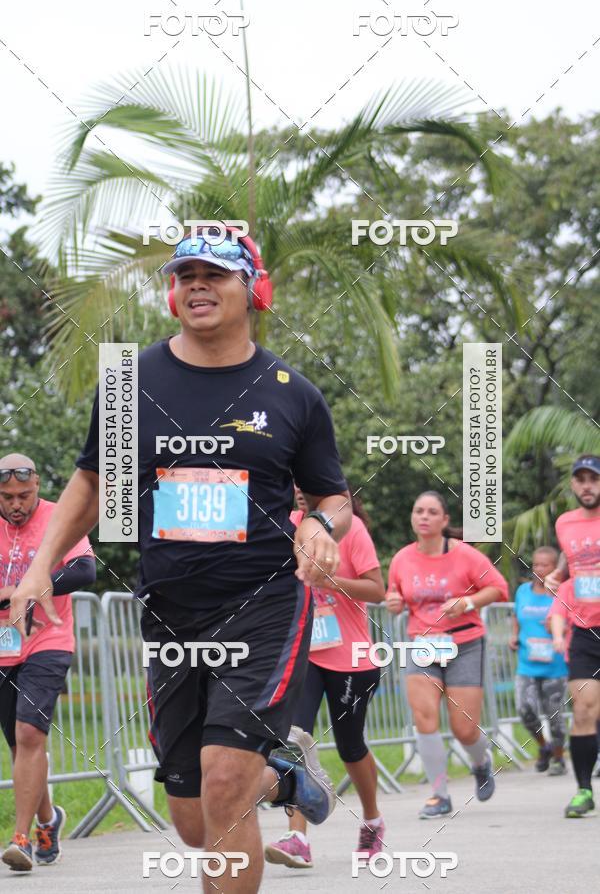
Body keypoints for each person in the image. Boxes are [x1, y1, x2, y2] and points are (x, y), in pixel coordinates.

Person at [12, 227, 352, 893]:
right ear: (172, 296)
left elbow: (333, 497)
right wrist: (39, 565)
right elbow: (92, 483)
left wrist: (318, 523)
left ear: (253, 290)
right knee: (196, 820)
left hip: (264, 607)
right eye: (185, 275)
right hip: (169, 614)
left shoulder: (293, 393)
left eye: (215, 274)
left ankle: (261, 772)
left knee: (226, 784)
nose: (197, 285)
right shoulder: (130, 382)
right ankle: (286, 774)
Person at [265, 488, 385, 869]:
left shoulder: (353, 531)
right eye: (293, 486)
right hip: (303, 654)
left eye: (306, 486)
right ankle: (297, 837)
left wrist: (331, 582)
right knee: (294, 738)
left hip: (350, 656)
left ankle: (372, 820)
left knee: (350, 746)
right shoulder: (285, 528)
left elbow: (377, 590)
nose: (299, 494)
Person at [386, 490, 509, 819]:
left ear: (444, 520)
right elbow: (396, 595)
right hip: (422, 644)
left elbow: (498, 588)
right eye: (418, 511)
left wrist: (466, 603)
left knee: (464, 729)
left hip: (465, 643)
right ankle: (439, 794)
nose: (423, 517)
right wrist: (394, 602)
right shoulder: (401, 559)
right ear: (413, 518)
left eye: (431, 512)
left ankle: (481, 763)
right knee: (424, 720)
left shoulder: (466, 556)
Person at [0, 454, 95, 872]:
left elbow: (84, 570)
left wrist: (34, 587)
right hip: (4, 645)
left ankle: (20, 840)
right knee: (19, 745)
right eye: (7, 497)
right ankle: (48, 820)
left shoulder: (60, 517)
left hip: (49, 639)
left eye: (24, 494)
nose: (16, 504)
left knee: (29, 732)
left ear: (37, 486)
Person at [548, 454, 600, 818]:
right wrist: (557, 575)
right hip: (583, 630)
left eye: (594, 479)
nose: (587, 486)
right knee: (583, 709)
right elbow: (573, 559)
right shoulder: (564, 522)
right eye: (580, 479)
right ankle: (583, 790)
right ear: (572, 485)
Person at [509, 546, 567, 775]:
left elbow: (574, 621)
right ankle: (545, 747)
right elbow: (516, 616)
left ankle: (559, 760)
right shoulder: (523, 591)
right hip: (527, 664)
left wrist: (559, 625)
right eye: (536, 565)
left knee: (555, 719)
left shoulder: (562, 592)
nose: (539, 569)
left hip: (555, 665)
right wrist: (514, 635)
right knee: (525, 710)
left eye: (545, 565)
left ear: (556, 568)